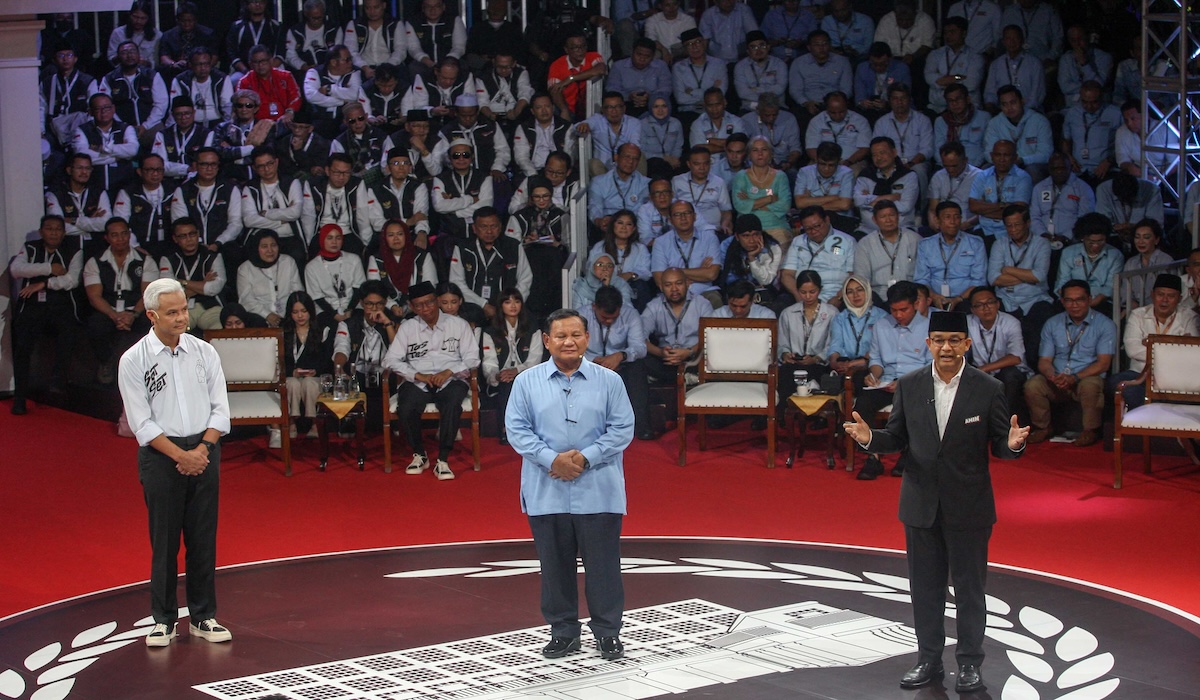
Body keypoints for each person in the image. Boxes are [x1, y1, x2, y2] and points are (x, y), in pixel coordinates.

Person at [842, 310, 1028, 694]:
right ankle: (927, 659)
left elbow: (999, 443)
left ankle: (970, 665)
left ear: (966, 344)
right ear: (928, 344)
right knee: (924, 589)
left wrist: (1012, 446)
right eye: (939, 340)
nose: (946, 347)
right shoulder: (909, 385)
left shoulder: (988, 387)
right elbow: (896, 438)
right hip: (920, 503)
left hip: (969, 505)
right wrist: (869, 438)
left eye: (954, 340)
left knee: (970, 590)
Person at [505, 307, 635, 661]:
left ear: (587, 339)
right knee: (554, 567)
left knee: (604, 568)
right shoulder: (525, 382)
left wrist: (585, 457)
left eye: (576, 335)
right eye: (560, 336)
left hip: (599, 489)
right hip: (546, 489)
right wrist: (554, 461)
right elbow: (517, 431)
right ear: (547, 341)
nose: (569, 342)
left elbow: (622, 428)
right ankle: (563, 632)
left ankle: (608, 633)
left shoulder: (610, 381)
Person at [117, 277, 232, 648]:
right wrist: (181, 455)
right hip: (161, 457)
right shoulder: (133, 360)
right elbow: (142, 423)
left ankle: (203, 616)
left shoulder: (205, 352)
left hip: (205, 452)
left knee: (203, 540)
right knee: (164, 542)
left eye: (184, 309)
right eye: (173, 312)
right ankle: (163, 619)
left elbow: (221, 410)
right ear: (152, 315)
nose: (183, 317)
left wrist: (201, 451)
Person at [382, 280, 480, 480]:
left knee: (453, 403)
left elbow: (473, 358)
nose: (425, 308)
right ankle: (419, 454)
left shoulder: (458, 325)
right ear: (411, 306)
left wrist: (450, 371)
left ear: (437, 301)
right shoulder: (409, 327)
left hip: (451, 379)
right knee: (406, 406)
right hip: (419, 379)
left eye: (429, 302)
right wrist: (417, 375)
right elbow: (390, 360)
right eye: (419, 305)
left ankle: (443, 459)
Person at [1024, 280, 1117, 447]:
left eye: (1079, 300)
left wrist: (1074, 377)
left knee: (1091, 385)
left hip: (1085, 376)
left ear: (1089, 299)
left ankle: (1090, 430)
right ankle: (1042, 427)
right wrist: (1052, 376)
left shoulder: (1105, 324)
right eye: (1069, 300)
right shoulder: (1052, 323)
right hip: (1057, 378)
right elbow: (1044, 361)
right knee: (1033, 385)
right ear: (1062, 301)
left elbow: (1103, 364)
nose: (1074, 305)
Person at [854, 280, 931, 480]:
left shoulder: (929, 327)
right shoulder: (881, 325)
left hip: (915, 383)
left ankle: (908, 455)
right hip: (886, 381)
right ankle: (873, 457)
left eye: (903, 310)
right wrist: (874, 375)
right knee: (863, 403)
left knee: (914, 402)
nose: (898, 315)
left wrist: (906, 381)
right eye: (894, 310)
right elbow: (877, 360)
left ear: (915, 304)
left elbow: (932, 366)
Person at [9, 215, 83, 415]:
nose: (53, 232)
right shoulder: (31, 248)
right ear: (42, 232)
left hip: (60, 305)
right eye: (49, 228)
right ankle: (20, 398)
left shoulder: (73, 250)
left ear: (64, 232)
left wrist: (43, 283)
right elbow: (16, 270)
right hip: (32, 306)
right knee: (22, 345)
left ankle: (57, 381)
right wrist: (49, 268)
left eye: (58, 229)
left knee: (69, 330)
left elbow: (72, 280)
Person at [84, 217, 156, 384]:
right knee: (96, 325)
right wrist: (114, 315)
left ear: (129, 235)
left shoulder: (145, 260)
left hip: (137, 308)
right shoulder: (95, 262)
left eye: (124, 234)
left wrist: (133, 314)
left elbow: (148, 293)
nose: (120, 239)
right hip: (108, 309)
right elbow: (94, 296)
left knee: (152, 322)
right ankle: (106, 362)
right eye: (115, 235)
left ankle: (148, 370)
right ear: (107, 238)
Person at [1111, 274, 1199, 408]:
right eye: (1160, 294)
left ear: (1179, 299)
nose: (1164, 300)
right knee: (1117, 382)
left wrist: (1151, 347)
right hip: (1141, 374)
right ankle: (1161, 406)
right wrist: (1172, 348)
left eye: (1171, 296)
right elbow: (1132, 349)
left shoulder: (1189, 317)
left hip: (1174, 376)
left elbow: (1190, 352)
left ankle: (1156, 407)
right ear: (1152, 295)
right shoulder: (1138, 315)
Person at [988, 204, 1055, 363]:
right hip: (1006, 299)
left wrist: (1006, 269)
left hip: (1035, 299)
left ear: (1028, 223)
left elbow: (1039, 276)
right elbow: (994, 279)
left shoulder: (1041, 244)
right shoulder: (999, 244)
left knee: (1040, 326)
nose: (1013, 229)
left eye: (1017, 224)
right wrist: (1027, 274)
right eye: (1009, 226)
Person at [481, 288, 544, 444]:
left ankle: (523, 429)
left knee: (516, 380)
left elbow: (535, 360)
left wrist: (516, 371)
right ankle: (506, 429)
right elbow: (489, 362)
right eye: (507, 302)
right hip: (502, 378)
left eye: (517, 301)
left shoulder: (533, 328)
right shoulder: (490, 331)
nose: (513, 306)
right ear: (500, 305)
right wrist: (496, 375)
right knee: (506, 382)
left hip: (528, 374)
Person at [966, 286, 1032, 422]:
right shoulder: (967, 322)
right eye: (979, 305)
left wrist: (984, 369)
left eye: (990, 302)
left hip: (1008, 371)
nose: (986, 308)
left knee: (1010, 376)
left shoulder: (1011, 323)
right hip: (978, 371)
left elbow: (1015, 357)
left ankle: (1005, 425)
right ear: (972, 310)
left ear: (998, 304)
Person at [642, 267, 714, 383]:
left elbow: (711, 336)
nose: (674, 289)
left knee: (711, 352)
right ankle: (685, 377)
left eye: (679, 283)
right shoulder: (654, 306)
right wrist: (660, 352)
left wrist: (689, 351)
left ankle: (669, 377)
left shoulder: (702, 304)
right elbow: (639, 338)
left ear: (687, 283)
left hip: (694, 357)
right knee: (638, 357)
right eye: (668, 285)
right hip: (665, 359)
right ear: (661, 287)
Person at [156, 217, 226, 332]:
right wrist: (203, 283)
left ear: (198, 234)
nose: (189, 239)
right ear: (175, 239)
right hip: (180, 309)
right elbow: (168, 292)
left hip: (210, 307)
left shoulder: (213, 256)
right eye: (183, 236)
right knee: (172, 331)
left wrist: (181, 282)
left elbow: (213, 288)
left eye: (192, 234)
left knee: (219, 330)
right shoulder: (167, 259)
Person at [915, 201, 987, 312]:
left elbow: (979, 281)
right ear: (937, 220)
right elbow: (921, 279)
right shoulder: (925, 245)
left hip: (965, 299)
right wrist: (934, 296)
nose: (953, 222)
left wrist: (958, 299)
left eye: (956, 217)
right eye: (947, 217)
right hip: (934, 298)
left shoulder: (976, 243)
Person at [282, 291, 335, 439]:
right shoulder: (285, 332)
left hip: (314, 376)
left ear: (310, 311)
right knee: (291, 383)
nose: (300, 316)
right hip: (292, 375)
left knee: (309, 383)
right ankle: (291, 422)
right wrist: (292, 372)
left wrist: (315, 370)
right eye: (295, 312)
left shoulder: (321, 330)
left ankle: (314, 423)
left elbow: (327, 359)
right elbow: (279, 360)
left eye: (304, 311)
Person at [778, 270, 837, 400]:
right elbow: (782, 343)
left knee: (818, 376)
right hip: (794, 364)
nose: (808, 297)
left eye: (812, 292)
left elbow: (833, 344)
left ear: (820, 290)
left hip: (819, 365)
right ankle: (781, 417)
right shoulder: (788, 313)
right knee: (784, 375)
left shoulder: (831, 313)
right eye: (803, 292)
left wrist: (816, 358)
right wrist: (785, 354)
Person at [782, 205, 856, 305]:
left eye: (817, 226)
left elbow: (853, 275)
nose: (813, 232)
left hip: (836, 294)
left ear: (827, 220)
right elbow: (787, 275)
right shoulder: (798, 241)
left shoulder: (847, 241)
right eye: (808, 229)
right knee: (782, 301)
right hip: (804, 294)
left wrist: (839, 297)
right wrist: (799, 296)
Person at [1054, 214, 1124, 317]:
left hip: (1100, 301)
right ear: (1083, 238)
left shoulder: (1115, 255)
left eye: (1100, 241)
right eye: (1091, 242)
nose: (1096, 245)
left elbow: (1111, 286)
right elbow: (1062, 282)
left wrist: (1094, 301)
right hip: (1071, 299)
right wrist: (1071, 300)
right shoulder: (1068, 253)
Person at [366, 219, 438, 316]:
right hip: (388, 309)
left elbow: (430, 285)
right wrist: (392, 306)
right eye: (391, 235)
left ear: (406, 236)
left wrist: (412, 306)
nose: (396, 238)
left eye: (400, 234)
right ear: (384, 238)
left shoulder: (422, 256)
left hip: (419, 308)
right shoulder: (376, 259)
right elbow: (374, 289)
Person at [983, 85, 1052, 183]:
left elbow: (1046, 154)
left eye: (1013, 102)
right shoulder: (994, 123)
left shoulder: (1039, 121)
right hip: (1003, 164)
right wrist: (1003, 162)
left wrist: (1022, 160)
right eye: (1004, 104)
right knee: (985, 170)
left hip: (1030, 164)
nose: (1009, 108)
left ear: (1022, 101)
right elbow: (988, 152)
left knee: (1033, 171)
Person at [854, 200, 919, 303]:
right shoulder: (865, 244)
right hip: (880, 299)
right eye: (883, 217)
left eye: (892, 215)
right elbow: (862, 279)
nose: (888, 220)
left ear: (898, 216)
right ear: (874, 220)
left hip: (910, 298)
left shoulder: (915, 239)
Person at [967, 139, 1032, 242]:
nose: (1002, 159)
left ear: (1015, 157)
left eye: (1006, 155)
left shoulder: (1023, 178)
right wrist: (1003, 206)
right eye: (998, 155)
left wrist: (984, 211)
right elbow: (973, 206)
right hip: (984, 229)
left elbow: (1018, 212)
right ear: (992, 156)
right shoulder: (982, 176)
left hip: (1009, 231)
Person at [237, 230, 304, 328]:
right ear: (256, 248)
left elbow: (297, 291)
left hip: (288, 315)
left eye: (273, 245)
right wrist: (267, 314)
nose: (270, 250)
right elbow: (246, 300)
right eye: (264, 246)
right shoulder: (245, 269)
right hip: (259, 317)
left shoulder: (288, 262)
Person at [730, 137, 791, 245]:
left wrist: (751, 202)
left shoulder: (780, 176)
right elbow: (740, 206)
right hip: (748, 230)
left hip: (776, 227)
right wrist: (770, 199)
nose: (760, 154)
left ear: (771, 153)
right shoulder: (741, 176)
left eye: (764, 149)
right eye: (755, 150)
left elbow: (784, 206)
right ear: (749, 155)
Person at [853, 136, 920, 234]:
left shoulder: (909, 176)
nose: (878, 158)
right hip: (868, 231)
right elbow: (857, 200)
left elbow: (906, 206)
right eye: (874, 155)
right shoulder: (865, 175)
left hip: (902, 230)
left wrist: (871, 202)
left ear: (894, 152)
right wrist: (888, 197)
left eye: (882, 153)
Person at [826, 274, 888, 379]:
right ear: (845, 296)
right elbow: (836, 344)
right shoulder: (840, 318)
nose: (856, 295)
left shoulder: (882, 316)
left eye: (860, 290)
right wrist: (834, 362)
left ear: (868, 291)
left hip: (870, 363)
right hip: (844, 363)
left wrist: (858, 362)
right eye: (850, 292)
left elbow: (880, 348)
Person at [1061, 81, 1122, 186]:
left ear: (1102, 98)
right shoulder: (1072, 113)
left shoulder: (1115, 114)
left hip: (1104, 170)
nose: (1089, 106)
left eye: (1094, 102)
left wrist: (1109, 161)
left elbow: (1124, 145)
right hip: (1078, 170)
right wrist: (1068, 157)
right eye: (1084, 102)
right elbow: (1066, 140)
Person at [306, 223, 367, 325]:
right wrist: (334, 315)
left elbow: (358, 289)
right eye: (329, 238)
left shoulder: (354, 259)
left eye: (338, 238)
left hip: (352, 307)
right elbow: (316, 297)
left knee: (356, 324)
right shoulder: (312, 267)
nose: (334, 242)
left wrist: (349, 309)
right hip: (326, 310)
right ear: (322, 240)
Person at [593, 210, 654, 310]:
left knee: (641, 286)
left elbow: (646, 273)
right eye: (620, 223)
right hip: (604, 285)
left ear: (633, 229)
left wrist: (630, 275)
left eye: (628, 224)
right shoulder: (599, 247)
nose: (624, 227)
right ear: (613, 225)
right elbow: (591, 269)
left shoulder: (640, 248)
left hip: (631, 287)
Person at [718, 215, 784, 308]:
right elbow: (729, 279)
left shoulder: (773, 248)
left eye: (756, 234)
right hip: (736, 294)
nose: (752, 240)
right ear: (737, 236)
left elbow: (766, 281)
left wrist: (752, 259)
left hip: (765, 295)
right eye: (746, 236)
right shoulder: (726, 246)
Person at [793, 141, 857, 234]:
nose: (826, 169)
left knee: (836, 247)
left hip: (841, 220)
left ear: (839, 162)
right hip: (812, 221)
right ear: (816, 159)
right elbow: (799, 203)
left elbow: (844, 205)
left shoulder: (846, 173)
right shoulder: (804, 172)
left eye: (831, 165)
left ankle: (836, 249)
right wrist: (833, 198)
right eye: (822, 164)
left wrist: (811, 203)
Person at [1028, 152, 1094, 241]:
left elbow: (1085, 219)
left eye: (1063, 168)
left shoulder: (1083, 188)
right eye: (1055, 168)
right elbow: (1034, 216)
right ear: (1049, 169)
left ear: (1070, 167)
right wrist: (1043, 234)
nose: (1059, 172)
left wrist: (1066, 237)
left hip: (1073, 240)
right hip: (1042, 239)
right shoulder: (1039, 188)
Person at [924, 17, 984, 113]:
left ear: (964, 33)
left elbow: (971, 84)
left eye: (952, 32)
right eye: (946, 32)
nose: (948, 36)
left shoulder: (975, 57)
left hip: (968, 108)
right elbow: (929, 77)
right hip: (938, 108)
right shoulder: (935, 54)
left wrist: (945, 81)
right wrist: (959, 78)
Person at [983, 25, 1045, 112]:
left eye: (1016, 38)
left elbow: (1037, 95)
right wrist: (991, 107)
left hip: (1030, 113)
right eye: (1008, 38)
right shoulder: (996, 64)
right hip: (1003, 114)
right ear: (1003, 41)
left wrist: (1022, 113)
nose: (1012, 42)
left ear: (1022, 40)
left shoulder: (1034, 63)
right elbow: (990, 93)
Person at [237, 44, 302, 125]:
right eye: (256, 62)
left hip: (284, 122)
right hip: (257, 125)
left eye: (263, 61)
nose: (260, 65)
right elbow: (241, 106)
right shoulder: (244, 82)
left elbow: (296, 96)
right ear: (250, 64)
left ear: (271, 61)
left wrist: (289, 112)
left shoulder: (286, 76)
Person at [1121, 219, 1174, 308]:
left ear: (1156, 240)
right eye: (1137, 237)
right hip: (1135, 310)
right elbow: (1124, 292)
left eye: (1146, 237)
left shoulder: (1166, 261)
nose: (1140, 241)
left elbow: (1168, 294)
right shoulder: (1131, 262)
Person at [933, 84, 989, 168]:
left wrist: (971, 168)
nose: (955, 103)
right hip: (949, 167)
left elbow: (987, 148)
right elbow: (938, 150)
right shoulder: (941, 121)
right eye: (950, 101)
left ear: (968, 99)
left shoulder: (984, 117)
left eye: (958, 99)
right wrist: (949, 166)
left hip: (977, 166)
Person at [734, 31, 788, 113]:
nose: (758, 50)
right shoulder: (740, 66)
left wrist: (755, 90)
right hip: (751, 108)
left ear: (768, 47)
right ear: (748, 51)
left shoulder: (779, 64)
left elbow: (780, 88)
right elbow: (742, 92)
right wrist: (767, 94)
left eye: (762, 45)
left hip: (776, 107)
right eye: (753, 47)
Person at [640, 97, 685, 175]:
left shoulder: (676, 123)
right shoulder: (642, 124)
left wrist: (674, 158)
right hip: (651, 161)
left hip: (672, 160)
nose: (660, 110)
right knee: (658, 164)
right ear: (650, 108)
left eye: (664, 106)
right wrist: (663, 158)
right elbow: (641, 151)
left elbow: (678, 146)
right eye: (656, 106)